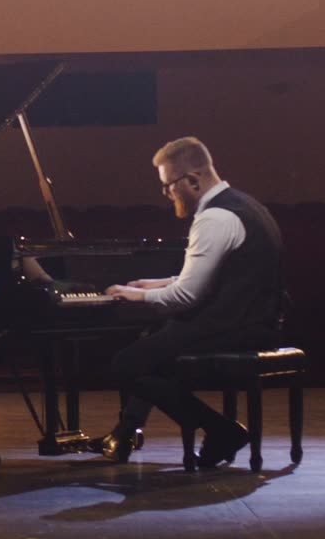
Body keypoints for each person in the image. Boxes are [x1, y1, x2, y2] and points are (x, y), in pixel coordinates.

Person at [91, 136, 283, 468]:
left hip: (232, 328)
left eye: (168, 186)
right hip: (256, 322)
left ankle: (221, 430)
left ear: (192, 180)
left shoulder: (214, 219)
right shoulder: (247, 205)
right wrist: (157, 283)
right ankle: (122, 434)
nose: (166, 194)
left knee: (127, 364)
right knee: (150, 350)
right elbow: (218, 276)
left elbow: (187, 296)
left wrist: (137, 295)